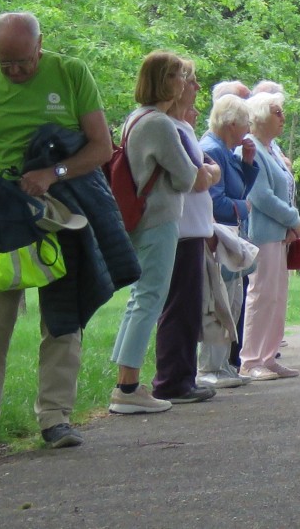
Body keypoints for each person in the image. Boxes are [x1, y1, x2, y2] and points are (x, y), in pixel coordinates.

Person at [0, 12, 115, 454]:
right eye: (5, 64)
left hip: (61, 212)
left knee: (62, 322)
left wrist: (53, 173)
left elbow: (102, 147)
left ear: (40, 46)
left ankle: (56, 419)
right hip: (5, 222)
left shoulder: (71, 73)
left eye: (23, 62)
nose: (15, 72)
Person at [107, 50, 213, 416]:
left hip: (143, 217)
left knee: (142, 297)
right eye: (179, 76)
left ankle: (126, 380)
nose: (185, 83)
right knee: (150, 298)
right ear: (164, 81)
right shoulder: (160, 124)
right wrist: (202, 171)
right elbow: (187, 176)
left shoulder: (135, 119)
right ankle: (128, 387)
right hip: (159, 219)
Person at [153, 65, 222, 405]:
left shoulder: (183, 127)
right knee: (179, 306)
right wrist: (207, 171)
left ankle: (184, 376)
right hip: (178, 229)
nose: (195, 87)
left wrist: (208, 170)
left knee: (189, 306)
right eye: (189, 80)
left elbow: (209, 169)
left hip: (193, 227)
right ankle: (171, 379)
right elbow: (196, 176)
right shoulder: (170, 128)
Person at [239, 90, 300, 381]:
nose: (283, 117)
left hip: (279, 233)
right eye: (277, 112)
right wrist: (293, 219)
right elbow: (261, 196)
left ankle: (269, 355)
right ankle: (250, 360)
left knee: (277, 296)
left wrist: (290, 224)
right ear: (261, 116)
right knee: (261, 295)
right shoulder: (251, 148)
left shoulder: (270, 149)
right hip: (262, 233)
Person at [196, 91, 257, 390]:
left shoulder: (226, 151)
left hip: (230, 236)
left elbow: (240, 187)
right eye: (246, 123)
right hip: (218, 237)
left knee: (233, 301)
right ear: (231, 123)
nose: (248, 129)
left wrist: (247, 163)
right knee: (218, 303)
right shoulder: (212, 150)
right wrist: (242, 207)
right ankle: (210, 367)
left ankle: (223, 366)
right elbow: (214, 201)